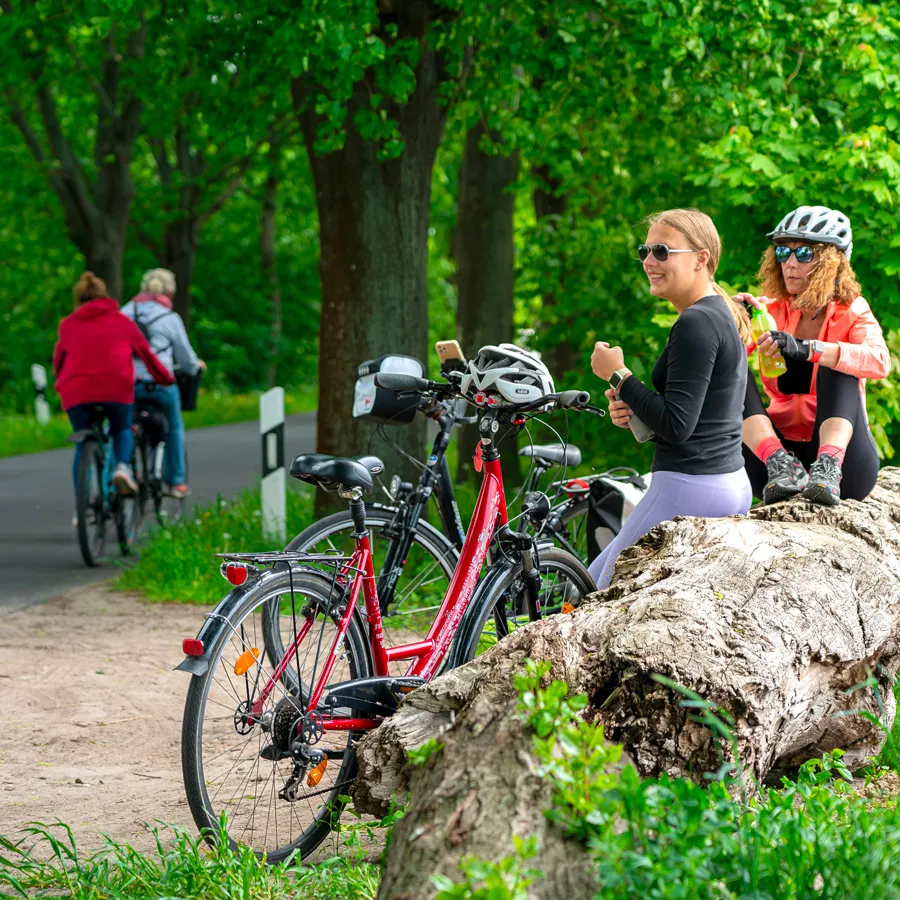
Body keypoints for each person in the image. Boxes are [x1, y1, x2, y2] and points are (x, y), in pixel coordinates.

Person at [588, 209, 753, 590]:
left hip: (689, 486)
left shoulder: (696, 322)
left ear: (701, 259)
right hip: (725, 483)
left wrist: (618, 374)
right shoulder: (715, 313)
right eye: (646, 250)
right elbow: (699, 412)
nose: (648, 260)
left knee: (591, 592)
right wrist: (633, 407)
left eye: (662, 251)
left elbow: (678, 426)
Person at [736, 206, 890, 506]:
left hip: (849, 468)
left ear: (831, 263)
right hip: (771, 466)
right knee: (729, 369)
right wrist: (727, 320)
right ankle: (780, 462)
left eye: (804, 253)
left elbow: (879, 360)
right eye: (783, 252)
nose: (789, 263)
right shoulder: (770, 310)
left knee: (838, 362)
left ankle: (827, 469)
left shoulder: (853, 310)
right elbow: (716, 361)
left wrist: (809, 349)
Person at [53, 272, 174, 500]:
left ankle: (83, 504)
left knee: (83, 441)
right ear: (105, 297)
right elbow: (147, 355)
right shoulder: (122, 322)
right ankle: (121, 468)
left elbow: (59, 362)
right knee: (121, 428)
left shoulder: (68, 325)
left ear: (78, 300)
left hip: (76, 393)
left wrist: (61, 384)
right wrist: (165, 378)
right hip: (115, 390)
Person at [120, 268, 205, 499]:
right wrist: (196, 366)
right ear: (168, 292)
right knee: (174, 427)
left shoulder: (123, 314)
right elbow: (186, 360)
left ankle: (121, 470)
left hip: (127, 385)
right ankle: (176, 482)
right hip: (160, 384)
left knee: (120, 427)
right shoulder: (169, 318)